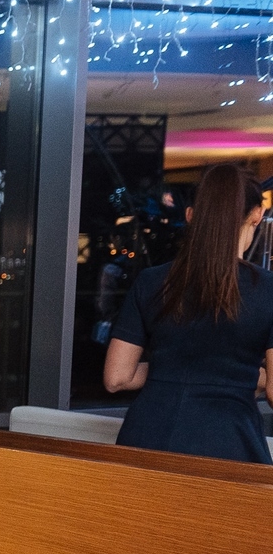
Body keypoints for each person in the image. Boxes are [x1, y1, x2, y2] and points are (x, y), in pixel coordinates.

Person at [104, 163, 273, 463]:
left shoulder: (151, 281)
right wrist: (244, 375)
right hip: (229, 444)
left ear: (191, 215)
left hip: (145, 437)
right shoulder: (269, 289)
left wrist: (174, 367)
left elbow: (116, 378)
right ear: (258, 214)